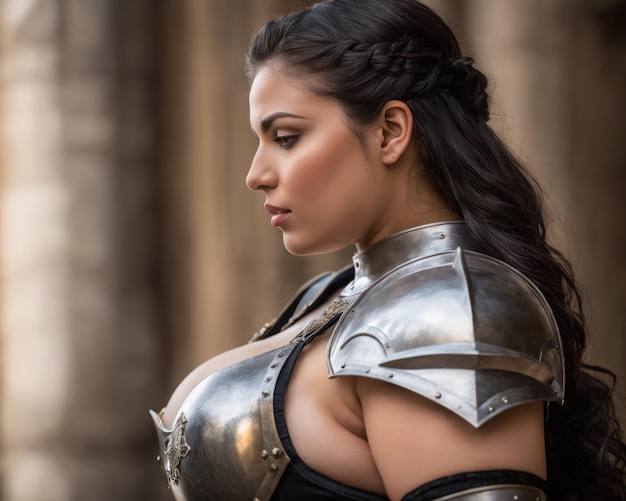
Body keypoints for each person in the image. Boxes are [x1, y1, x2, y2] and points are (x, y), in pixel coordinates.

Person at [151, 0, 626, 499]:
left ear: (391, 131)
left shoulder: (448, 311)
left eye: (286, 137)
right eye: (261, 140)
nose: (255, 175)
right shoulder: (334, 293)